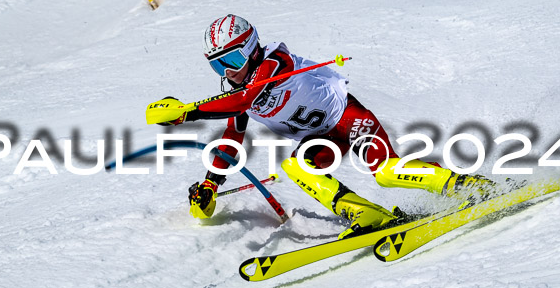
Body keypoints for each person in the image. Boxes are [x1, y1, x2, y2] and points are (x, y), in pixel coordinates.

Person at [156, 14, 497, 239]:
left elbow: (245, 101)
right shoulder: (239, 91)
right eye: (218, 67)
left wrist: (188, 113)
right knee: (295, 166)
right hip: (320, 139)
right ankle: (365, 214)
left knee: (387, 172)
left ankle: (467, 186)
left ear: (250, 49)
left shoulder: (275, 62)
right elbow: (233, 138)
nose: (227, 73)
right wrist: (210, 185)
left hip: (348, 119)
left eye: (231, 61)